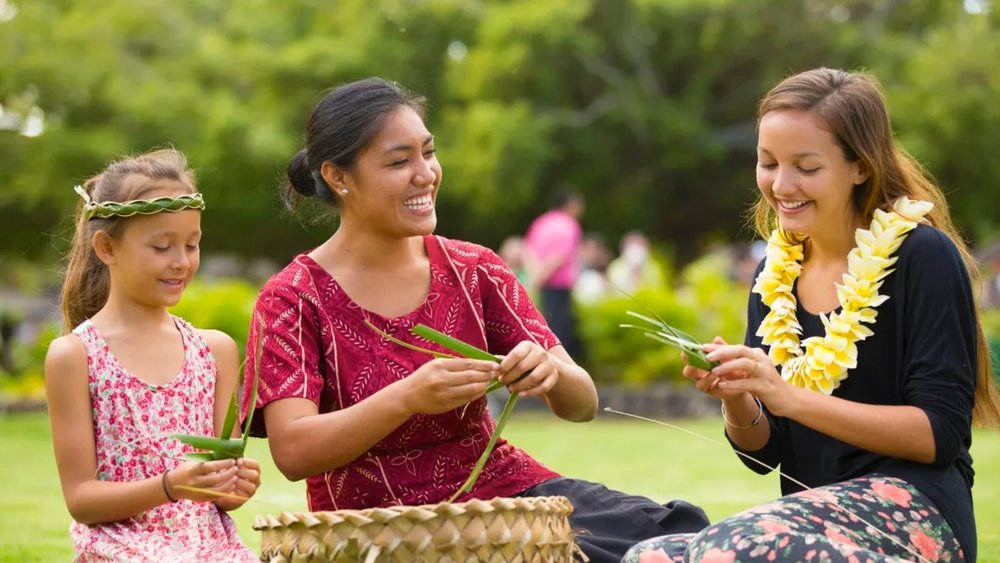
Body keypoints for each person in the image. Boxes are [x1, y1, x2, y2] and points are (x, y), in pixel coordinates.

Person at [240, 77, 709, 563]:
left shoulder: (474, 268)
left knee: (677, 542)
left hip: (503, 497)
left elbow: (582, 403)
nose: (426, 174)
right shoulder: (292, 297)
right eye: (400, 162)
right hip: (379, 529)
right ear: (339, 178)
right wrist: (408, 397)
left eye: (429, 152)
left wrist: (550, 373)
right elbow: (293, 452)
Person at [625, 68, 1000, 563]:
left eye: (806, 166)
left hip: (916, 516)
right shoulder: (775, 273)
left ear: (860, 167)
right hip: (809, 516)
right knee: (650, 557)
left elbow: (938, 434)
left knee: (725, 546)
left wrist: (788, 397)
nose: (781, 184)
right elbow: (764, 452)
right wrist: (739, 396)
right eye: (767, 163)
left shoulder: (922, 256)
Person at [44, 149, 261, 562]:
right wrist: (169, 486)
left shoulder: (215, 351)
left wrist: (234, 485)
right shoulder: (75, 356)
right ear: (106, 247)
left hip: (212, 550)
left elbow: (218, 497)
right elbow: (81, 499)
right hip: (121, 551)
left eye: (192, 245)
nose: (181, 262)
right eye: (162, 247)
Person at [524, 186, 585, 358]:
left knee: (543, 326)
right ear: (570, 204)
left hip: (541, 283)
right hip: (558, 286)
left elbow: (529, 251)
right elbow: (558, 258)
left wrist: (534, 279)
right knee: (559, 330)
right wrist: (541, 278)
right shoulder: (568, 224)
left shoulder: (540, 223)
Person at [606, 230, 665, 295]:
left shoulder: (653, 268)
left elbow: (657, 289)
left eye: (640, 245)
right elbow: (612, 290)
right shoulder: (615, 267)